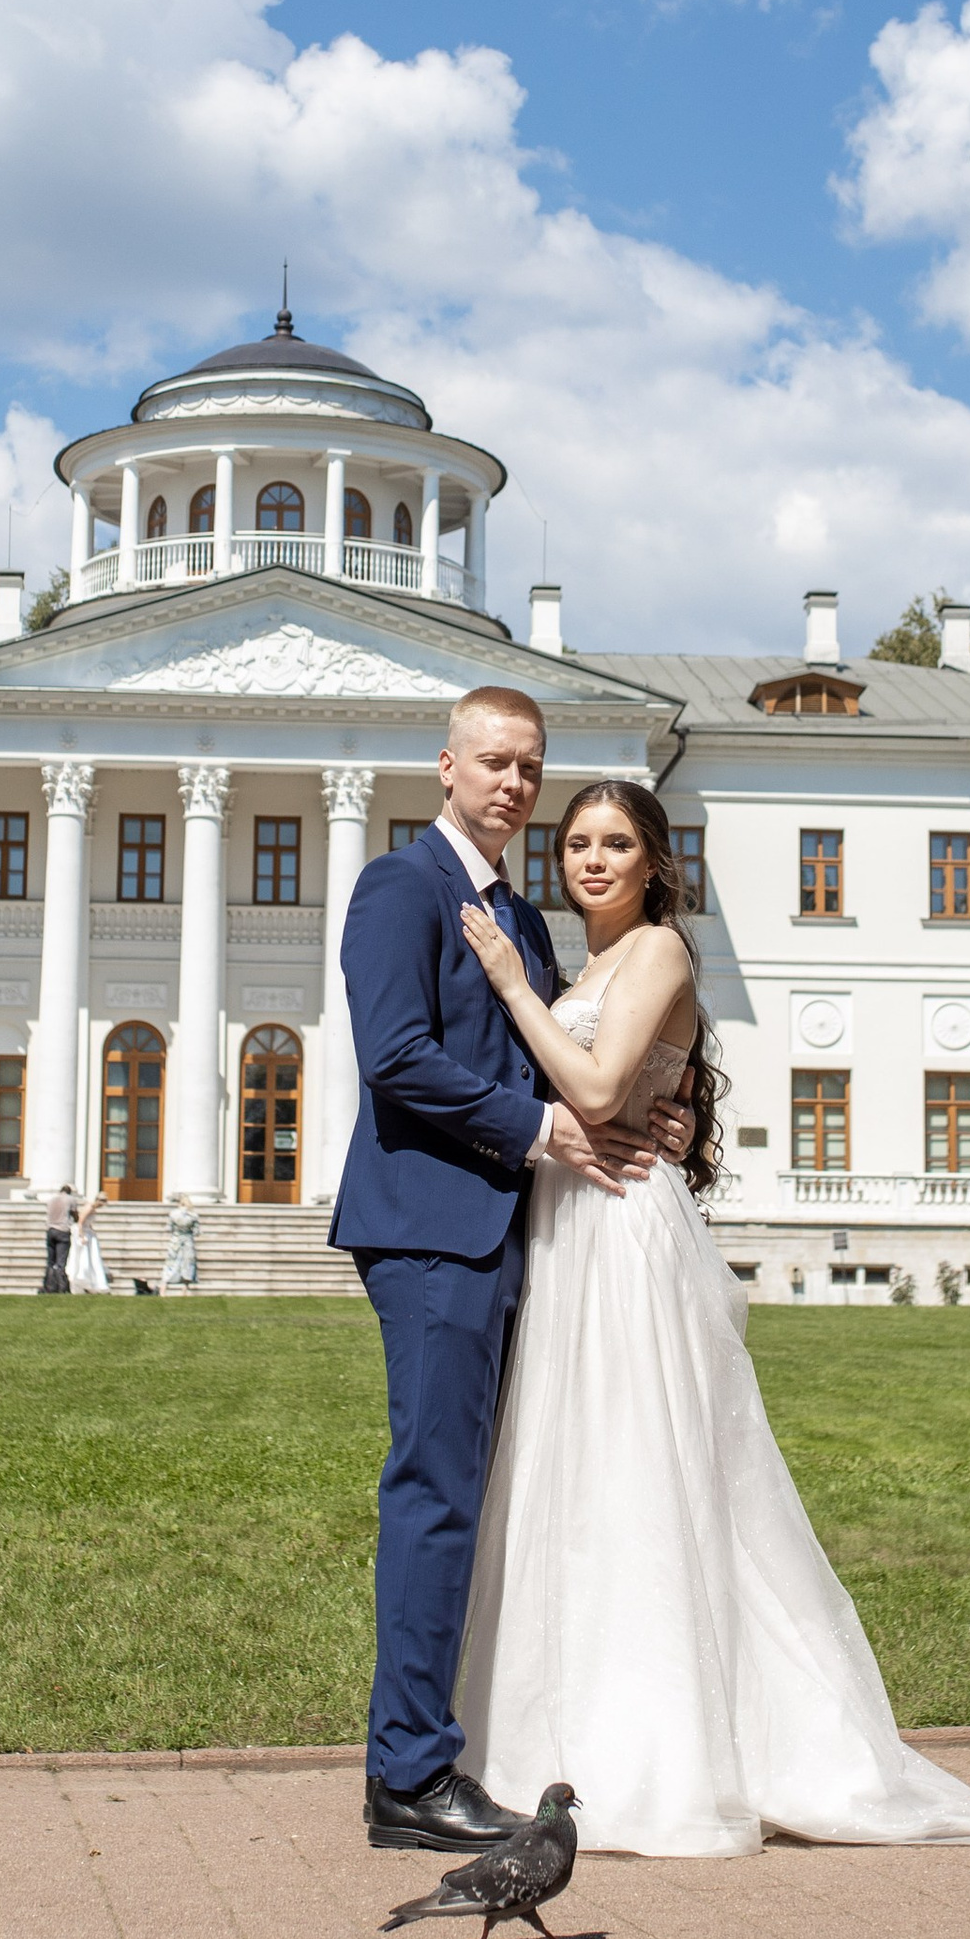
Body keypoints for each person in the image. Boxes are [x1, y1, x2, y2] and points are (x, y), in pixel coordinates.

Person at [451, 778, 970, 1856]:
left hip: (621, 1235)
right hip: (574, 1227)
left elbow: (590, 1086)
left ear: (654, 861)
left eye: (615, 842)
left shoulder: (659, 950)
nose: (590, 859)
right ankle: (557, 1738)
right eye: (575, 842)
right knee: (573, 1477)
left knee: (641, 1473)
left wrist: (505, 986)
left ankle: (662, 1755)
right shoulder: (591, 964)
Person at [332, 687, 689, 1856]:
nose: (513, 785)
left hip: (520, 1239)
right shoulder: (403, 886)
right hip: (433, 1231)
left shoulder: (525, 925)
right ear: (445, 766)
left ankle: (446, 1746)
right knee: (435, 1493)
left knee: (491, 1501)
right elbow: (393, 1058)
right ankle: (407, 1774)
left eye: (528, 767)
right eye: (492, 761)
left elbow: (567, 1062)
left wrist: (659, 1118)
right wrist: (541, 1135)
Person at [67, 1191, 111, 1294]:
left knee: (92, 1258)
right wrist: (82, 1236)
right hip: (83, 1233)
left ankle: (92, 1283)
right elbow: (81, 1222)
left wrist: (92, 1230)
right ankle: (83, 1281)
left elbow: (88, 1222)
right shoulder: (90, 1206)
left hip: (88, 1232)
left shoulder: (93, 1208)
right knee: (84, 1258)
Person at [42, 1185, 75, 1294]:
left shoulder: (52, 1199)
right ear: (69, 1192)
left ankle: (49, 1286)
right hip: (62, 1230)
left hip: (50, 1230)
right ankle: (62, 1287)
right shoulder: (70, 1199)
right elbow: (74, 1214)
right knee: (61, 1262)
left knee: (50, 1262)